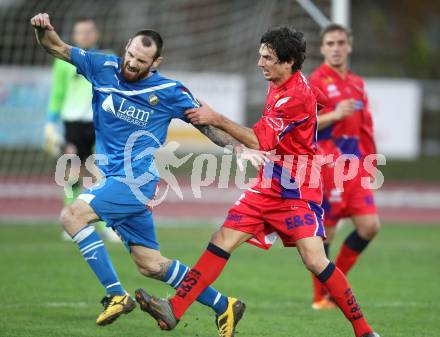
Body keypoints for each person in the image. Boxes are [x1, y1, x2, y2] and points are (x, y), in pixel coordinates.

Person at [135, 27, 380, 337]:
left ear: (288, 62)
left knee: (315, 260)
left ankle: (364, 331)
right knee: (221, 239)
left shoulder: (293, 95)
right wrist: (310, 122)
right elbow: (317, 104)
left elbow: (258, 140)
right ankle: (175, 308)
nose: (260, 62)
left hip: (298, 189)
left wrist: (215, 117)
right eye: (261, 55)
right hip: (269, 184)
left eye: (268, 58)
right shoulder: (284, 81)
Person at [30, 13, 254, 334]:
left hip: (135, 183)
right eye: (131, 55)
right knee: (152, 265)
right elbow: (56, 48)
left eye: (141, 60)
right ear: (126, 48)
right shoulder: (103, 67)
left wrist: (237, 148)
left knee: (72, 215)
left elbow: (204, 124)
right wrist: (44, 30)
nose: (132, 63)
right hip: (114, 180)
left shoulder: (169, 90)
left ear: (156, 62)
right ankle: (225, 305)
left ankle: (116, 295)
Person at [308, 23, 381, 310]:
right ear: (323, 48)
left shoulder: (357, 83)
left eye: (341, 42)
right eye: (331, 43)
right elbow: (305, 124)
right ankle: (320, 298)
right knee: (327, 230)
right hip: (328, 164)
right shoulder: (315, 82)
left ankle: (333, 285)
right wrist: (335, 114)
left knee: (370, 226)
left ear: (349, 46)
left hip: (356, 165)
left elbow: (366, 127)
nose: (336, 48)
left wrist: (371, 160)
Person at [44, 17, 118, 242]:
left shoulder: (106, 59)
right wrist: (50, 123)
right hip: (72, 123)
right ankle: (71, 220)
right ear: (74, 36)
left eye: (88, 32)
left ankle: (107, 224)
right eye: (80, 32)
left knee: (102, 173)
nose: (84, 36)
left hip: (99, 124)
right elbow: (57, 94)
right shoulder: (62, 62)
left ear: (96, 35)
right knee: (71, 173)